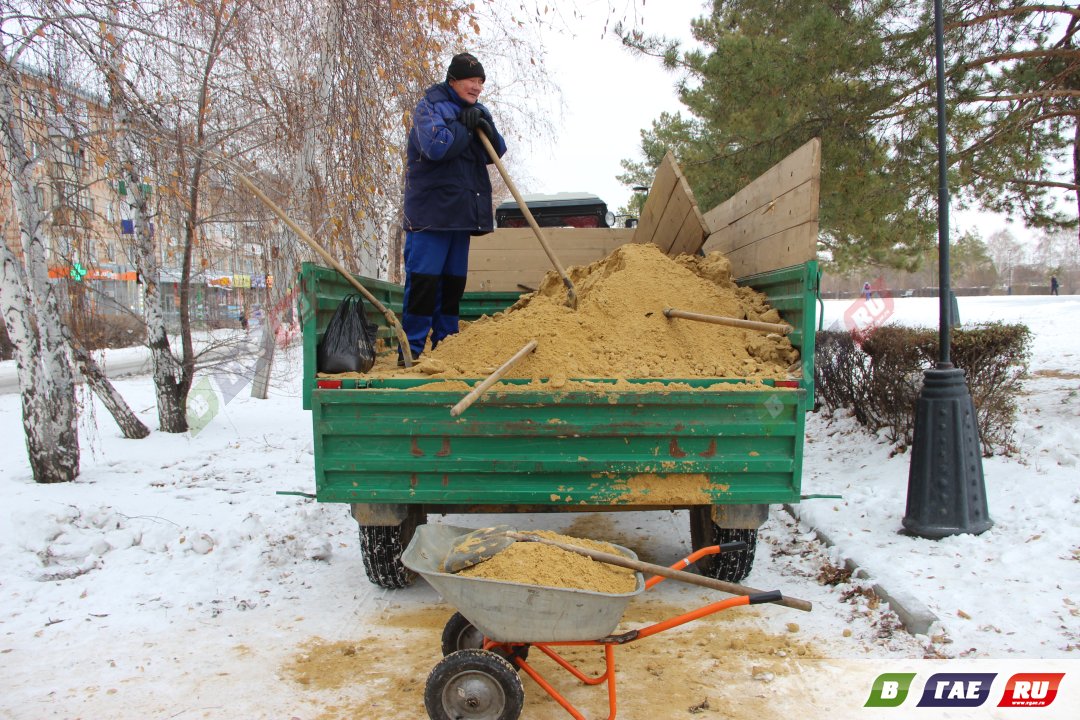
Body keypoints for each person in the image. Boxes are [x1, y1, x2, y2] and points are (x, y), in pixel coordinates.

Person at [399, 52, 507, 364]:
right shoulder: (429, 106)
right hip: (431, 215)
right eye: (472, 80)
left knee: (452, 286)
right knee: (423, 284)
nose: (477, 87)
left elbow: (496, 152)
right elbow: (436, 147)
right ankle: (411, 353)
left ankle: (446, 348)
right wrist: (463, 127)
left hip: (460, 214)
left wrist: (484, 124)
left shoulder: (478, 109)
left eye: (481, 82)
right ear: (453, 80)